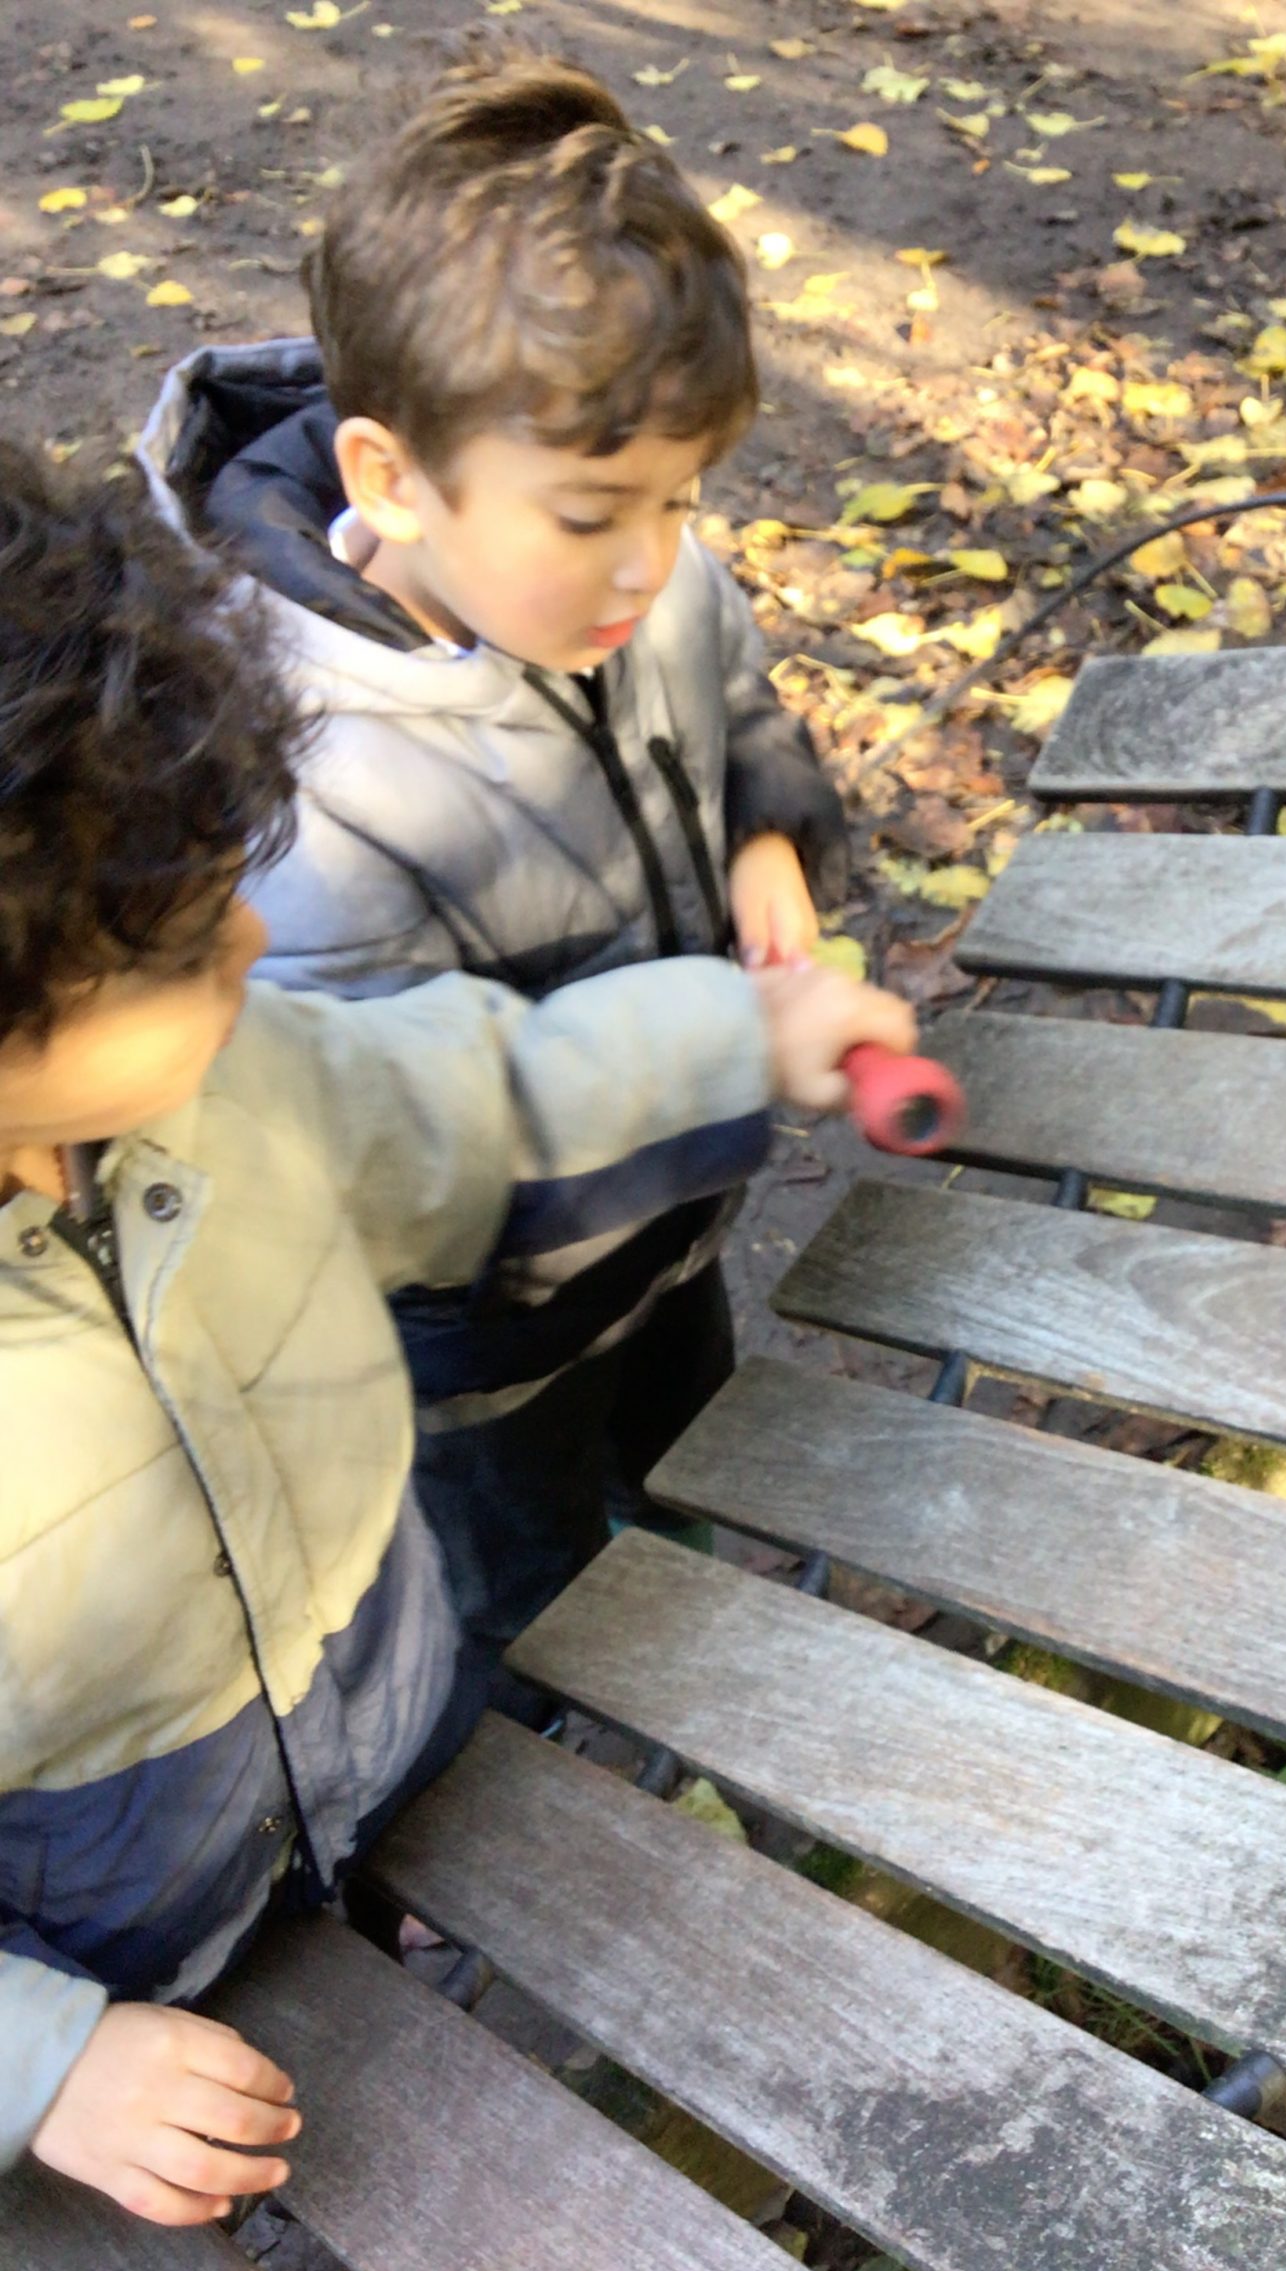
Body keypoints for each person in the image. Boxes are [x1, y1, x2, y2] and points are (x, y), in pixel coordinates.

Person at [0, 443, 912, 2224]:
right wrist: (45, 2064)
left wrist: (737, 1039)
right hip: (97, 1948)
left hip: (385, 1720)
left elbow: (468, 1098)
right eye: (176, 949)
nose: (252, 938)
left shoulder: (224, 1085)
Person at [139, 42, 850, 1661]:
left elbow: (738, 696)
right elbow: (400, 1150)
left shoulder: (632, 584)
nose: (652, 563)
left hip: (670, 1226)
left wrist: (766, 836)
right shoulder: (306, 781)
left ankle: (701, 1680)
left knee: (691, 1512)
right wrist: (737, 1048)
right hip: (481, 1353)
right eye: (596, 515)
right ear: (390, 477)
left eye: (683, 500)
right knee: (540, 1625)